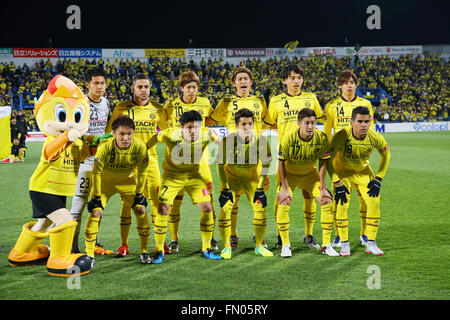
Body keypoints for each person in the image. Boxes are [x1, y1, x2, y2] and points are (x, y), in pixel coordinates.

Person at [105, 73, 168, 256]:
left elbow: (167, 132)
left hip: (151, 162)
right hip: (128, 164)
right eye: (139, 87)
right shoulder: (122, 108)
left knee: (157, 203)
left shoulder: (158, 109)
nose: (143, 90)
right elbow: (110, 133)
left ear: (150, 88)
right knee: (127, 203)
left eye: (146, 87)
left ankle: (159, 243)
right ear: (133, 88)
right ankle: (124, 244)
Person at [147, 110, 222, 264]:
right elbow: (154, 139)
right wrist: (142, 152)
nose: (193, 131)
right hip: (172, 177)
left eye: (197, 127)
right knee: (163, 209)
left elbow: (223, 143)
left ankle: (206, 248)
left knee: (207, 207)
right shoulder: (170, 134)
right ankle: (160, 251)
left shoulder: (205, 134)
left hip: (194, 176)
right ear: (181, 127)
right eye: (189, 127)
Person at [205, 66, 268, 248]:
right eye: (239, 79)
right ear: (233, 83)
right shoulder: (226, 103)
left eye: (245, 79)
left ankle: (259, 238)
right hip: (232, 155)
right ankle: (233, 235)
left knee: (258, 199)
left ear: (251, 82)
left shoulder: (259, 102)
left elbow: (269, 121)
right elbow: (209, 121)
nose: (242, 82)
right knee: (232, 200)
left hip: (254, 156)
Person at [264, 64, 325, 250]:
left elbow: (320, 119)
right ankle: (280, 237)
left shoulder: (311, 98)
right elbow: (268, 123)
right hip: (286, 158)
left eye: (299, 77)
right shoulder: (275, 101)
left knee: (309, 195)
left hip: (308, 156)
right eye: (292, 78)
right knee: (281, 197)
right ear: (285, 80)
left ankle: (309, 235)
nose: (296, 81)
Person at [85, 116, 152, 266]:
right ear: (113, 133)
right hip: (105, 182)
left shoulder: (140, 147)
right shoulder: (105, 147)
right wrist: (96, 196)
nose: (126, 138)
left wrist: (140, 193)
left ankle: (144, 251)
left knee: (141, 210)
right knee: (95, 211)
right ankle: (89, 255)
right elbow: (96, 173)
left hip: (128, 182)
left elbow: (143, 172)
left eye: (129, 134)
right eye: (121, 134)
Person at [163, 71, 217, 252]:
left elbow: (209, 123)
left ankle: (212, 237)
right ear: (181, 88)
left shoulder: (205, 103)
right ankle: (174, 239)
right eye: (189, 87)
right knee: (175, 201)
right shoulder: (171, 105)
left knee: (209, 198)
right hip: (176, 160)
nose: (192, 91)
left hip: (201, 159)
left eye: (195, 87)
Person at [328, 106, 390, 256]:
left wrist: (379, 178)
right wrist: (336, 181)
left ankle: (371, 243)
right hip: (342, 173)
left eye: (366, 121)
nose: (364, 125)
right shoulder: (342, 135)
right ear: (351, 122)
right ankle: (344, 244)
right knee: (342, 204)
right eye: (360, 121)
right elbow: (327, 159)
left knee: (374, 202)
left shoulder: (375, 137)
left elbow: (386, 155)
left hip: (363, 172)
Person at [323, 69, 375, 248]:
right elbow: (327, 132)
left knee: (366, 199)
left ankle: (365, 235)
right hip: (340, 162)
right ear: (340, 85)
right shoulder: (331, 106)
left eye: (352, 82)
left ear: (356, 84)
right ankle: (339, 235)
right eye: (345, 83)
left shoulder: (365, 103)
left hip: (360, 161)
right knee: (341, 199)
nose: (349, 86)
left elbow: (371, 131)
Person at [276, 108, 337, 257]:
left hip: (310, 175)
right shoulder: (288, 138)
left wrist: (322, 187)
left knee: (326, 200)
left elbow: (323, 162)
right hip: (290, 175)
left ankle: (326, 245)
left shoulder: (321, 138)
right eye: (306, 123)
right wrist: (284, 188)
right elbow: (281, 163)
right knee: (284, 201)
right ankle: (285, 245)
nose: (310, 126)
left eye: (313, 123)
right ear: (299, 124)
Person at [216, 108, 273, 259]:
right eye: (243, 125)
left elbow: (266, 165)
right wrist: (226, 187)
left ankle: (259, 245)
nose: (247, 128)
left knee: (260, 209)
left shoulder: (261, 141)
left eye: (249, 124)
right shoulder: (227, 141)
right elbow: (220, 166)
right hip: (231, 179)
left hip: (251, 180)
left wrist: (260, 188)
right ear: (236, 126)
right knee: (225, 210)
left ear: (253, 125)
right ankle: (226, 246)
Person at [70, 67, 114, 255]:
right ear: (87, 85)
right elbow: (72, 130)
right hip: (84, 160)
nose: (100, 86)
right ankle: (71, 246)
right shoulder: (80, 104)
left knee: (98, 204)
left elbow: (107, 128)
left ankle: (93, 242)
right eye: (96, 83)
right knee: (78, 204)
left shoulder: (106, 103)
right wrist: (91, 140)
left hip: (101, 162)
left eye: (102, 83)